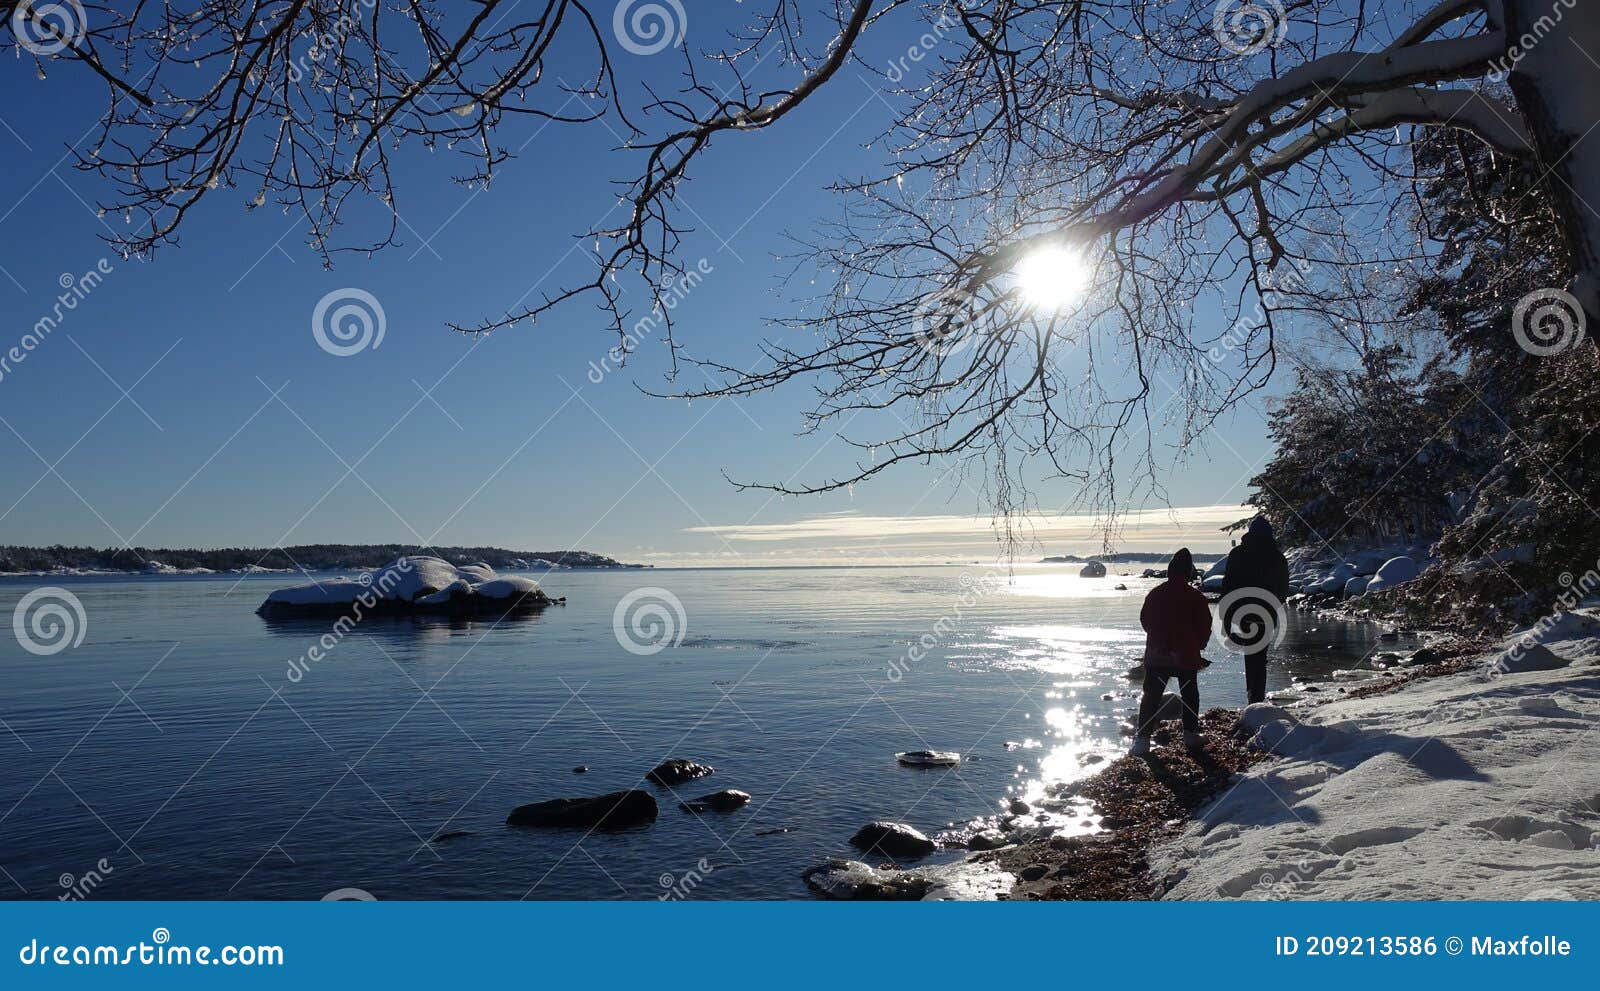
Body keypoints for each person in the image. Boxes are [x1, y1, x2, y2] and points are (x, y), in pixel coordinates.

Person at [1131, 548, 1213, 757]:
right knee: (1189, 694)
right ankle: (1190, 734)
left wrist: (1158, 639)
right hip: (1185, 654)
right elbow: (1204, 625)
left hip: (1157, 654)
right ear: (1189, 572)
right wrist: (1198, 645)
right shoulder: (1195, 597)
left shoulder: (1156, 593)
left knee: (1151, 696)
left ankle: (1142, 740)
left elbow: (1145, 620)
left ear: (1169, 571)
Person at [1220, 516, 1291, 704]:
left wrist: (1226, 618)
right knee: (1259, 657)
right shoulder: (1277, 557)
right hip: (1266, 614)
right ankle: (1256, 699)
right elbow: (1283, 588)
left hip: (1241, 612)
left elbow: (1228, 586)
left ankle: (1253, 699)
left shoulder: (1238, 554)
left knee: (1251, 655)